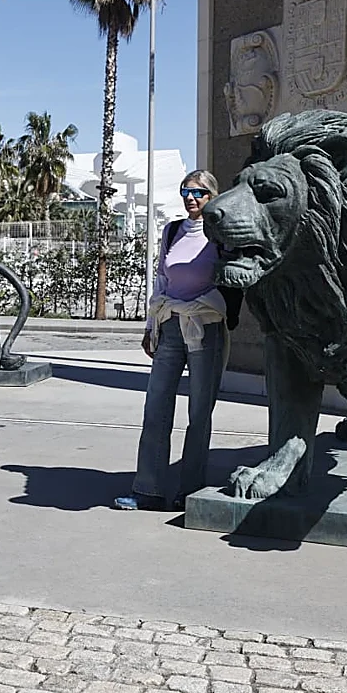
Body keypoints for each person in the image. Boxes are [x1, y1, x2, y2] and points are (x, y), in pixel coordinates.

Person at [115, 169, 237, 511]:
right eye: (186, 191)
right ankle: (148, 489)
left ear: (212, 197)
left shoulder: (221, 235)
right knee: (156, 407)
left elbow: (231, 278)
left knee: (199, 412)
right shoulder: (171, 232)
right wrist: (150, 326)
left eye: (199, 193)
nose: (191, 198)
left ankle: (190, 489)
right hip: (169, 325)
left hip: (205, 326)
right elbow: (161, 279)